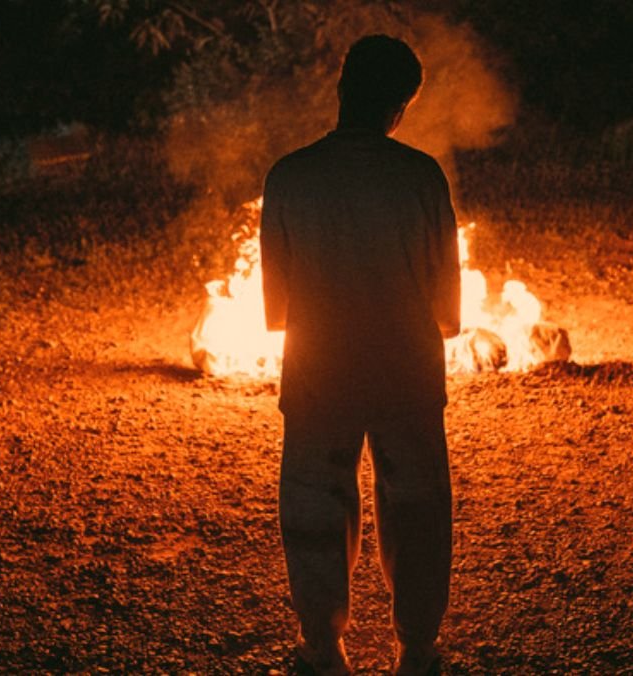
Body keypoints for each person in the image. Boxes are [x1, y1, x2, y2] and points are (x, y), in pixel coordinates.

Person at [260, 34, 461, 676]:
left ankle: (323, 649)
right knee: (419, 507)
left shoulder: (289, 176)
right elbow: (448, 308)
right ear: (400, 108)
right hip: (407, 368)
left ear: (341, 90)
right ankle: (419, 649)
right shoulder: (421, 176)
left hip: (320, 370)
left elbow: (276, 305)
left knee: (317, 507)